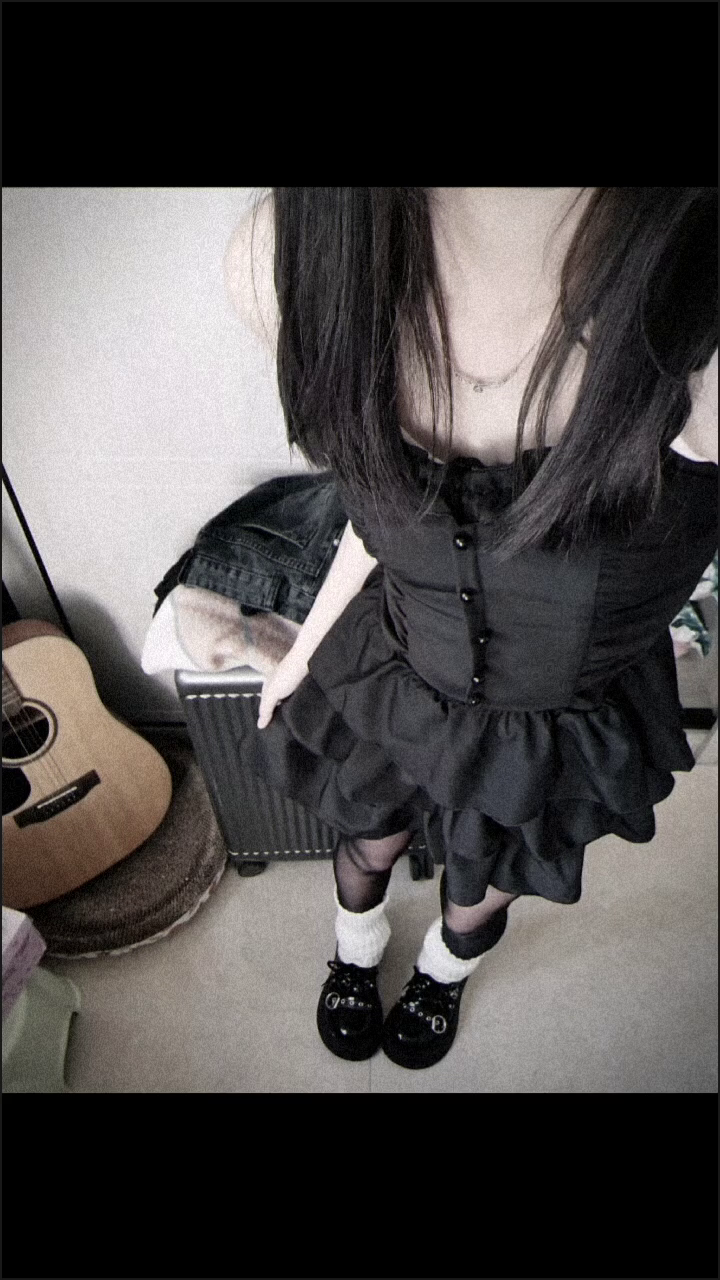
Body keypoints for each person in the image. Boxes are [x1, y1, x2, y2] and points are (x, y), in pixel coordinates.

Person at [225, 187, 718, 1071]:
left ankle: (442, 974)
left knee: (481, 885)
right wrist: (303, 648)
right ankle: (355, 950)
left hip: (553, 734)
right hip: (397, 673)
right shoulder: (285, 254)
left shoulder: (699, 309)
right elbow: (377, 517)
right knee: (368, 836)